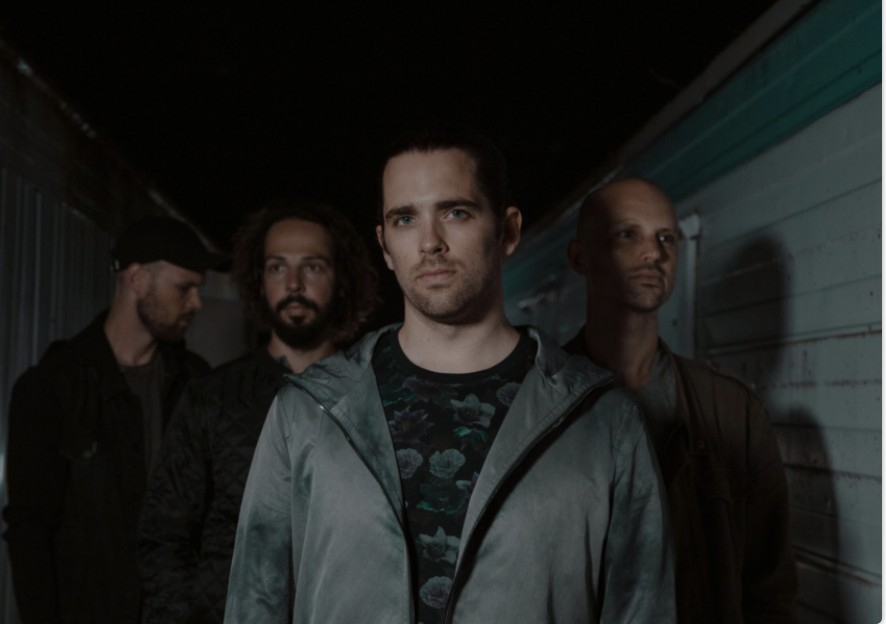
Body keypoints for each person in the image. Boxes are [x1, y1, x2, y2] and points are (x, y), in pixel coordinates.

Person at [224, 124, 675, 624]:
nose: (430, 242)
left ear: (507, 231)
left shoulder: (604, 421)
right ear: (385, 246)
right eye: (405, 219)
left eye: (455, 212)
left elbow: (642, 610)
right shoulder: (306, 413)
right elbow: (255, 604)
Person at [563, 178, 798, 623]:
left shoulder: (732, 409)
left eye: (666, 238)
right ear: (580, 257)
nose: (654, 253)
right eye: (627, 234)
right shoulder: (540, 403)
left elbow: (770, 589)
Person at [137, 200, 379, 623]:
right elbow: (165, 539)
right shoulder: (211, 399)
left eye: (313, 267)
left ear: (342, 280)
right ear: (259, 281)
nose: (294, 284)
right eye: (277, 267)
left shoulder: (378, 400)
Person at [4, 217, 222, 624]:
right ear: (136, 278)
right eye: (184, 288)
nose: (197, 302)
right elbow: (29, 530)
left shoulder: (196, 383)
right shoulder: (52, 388)